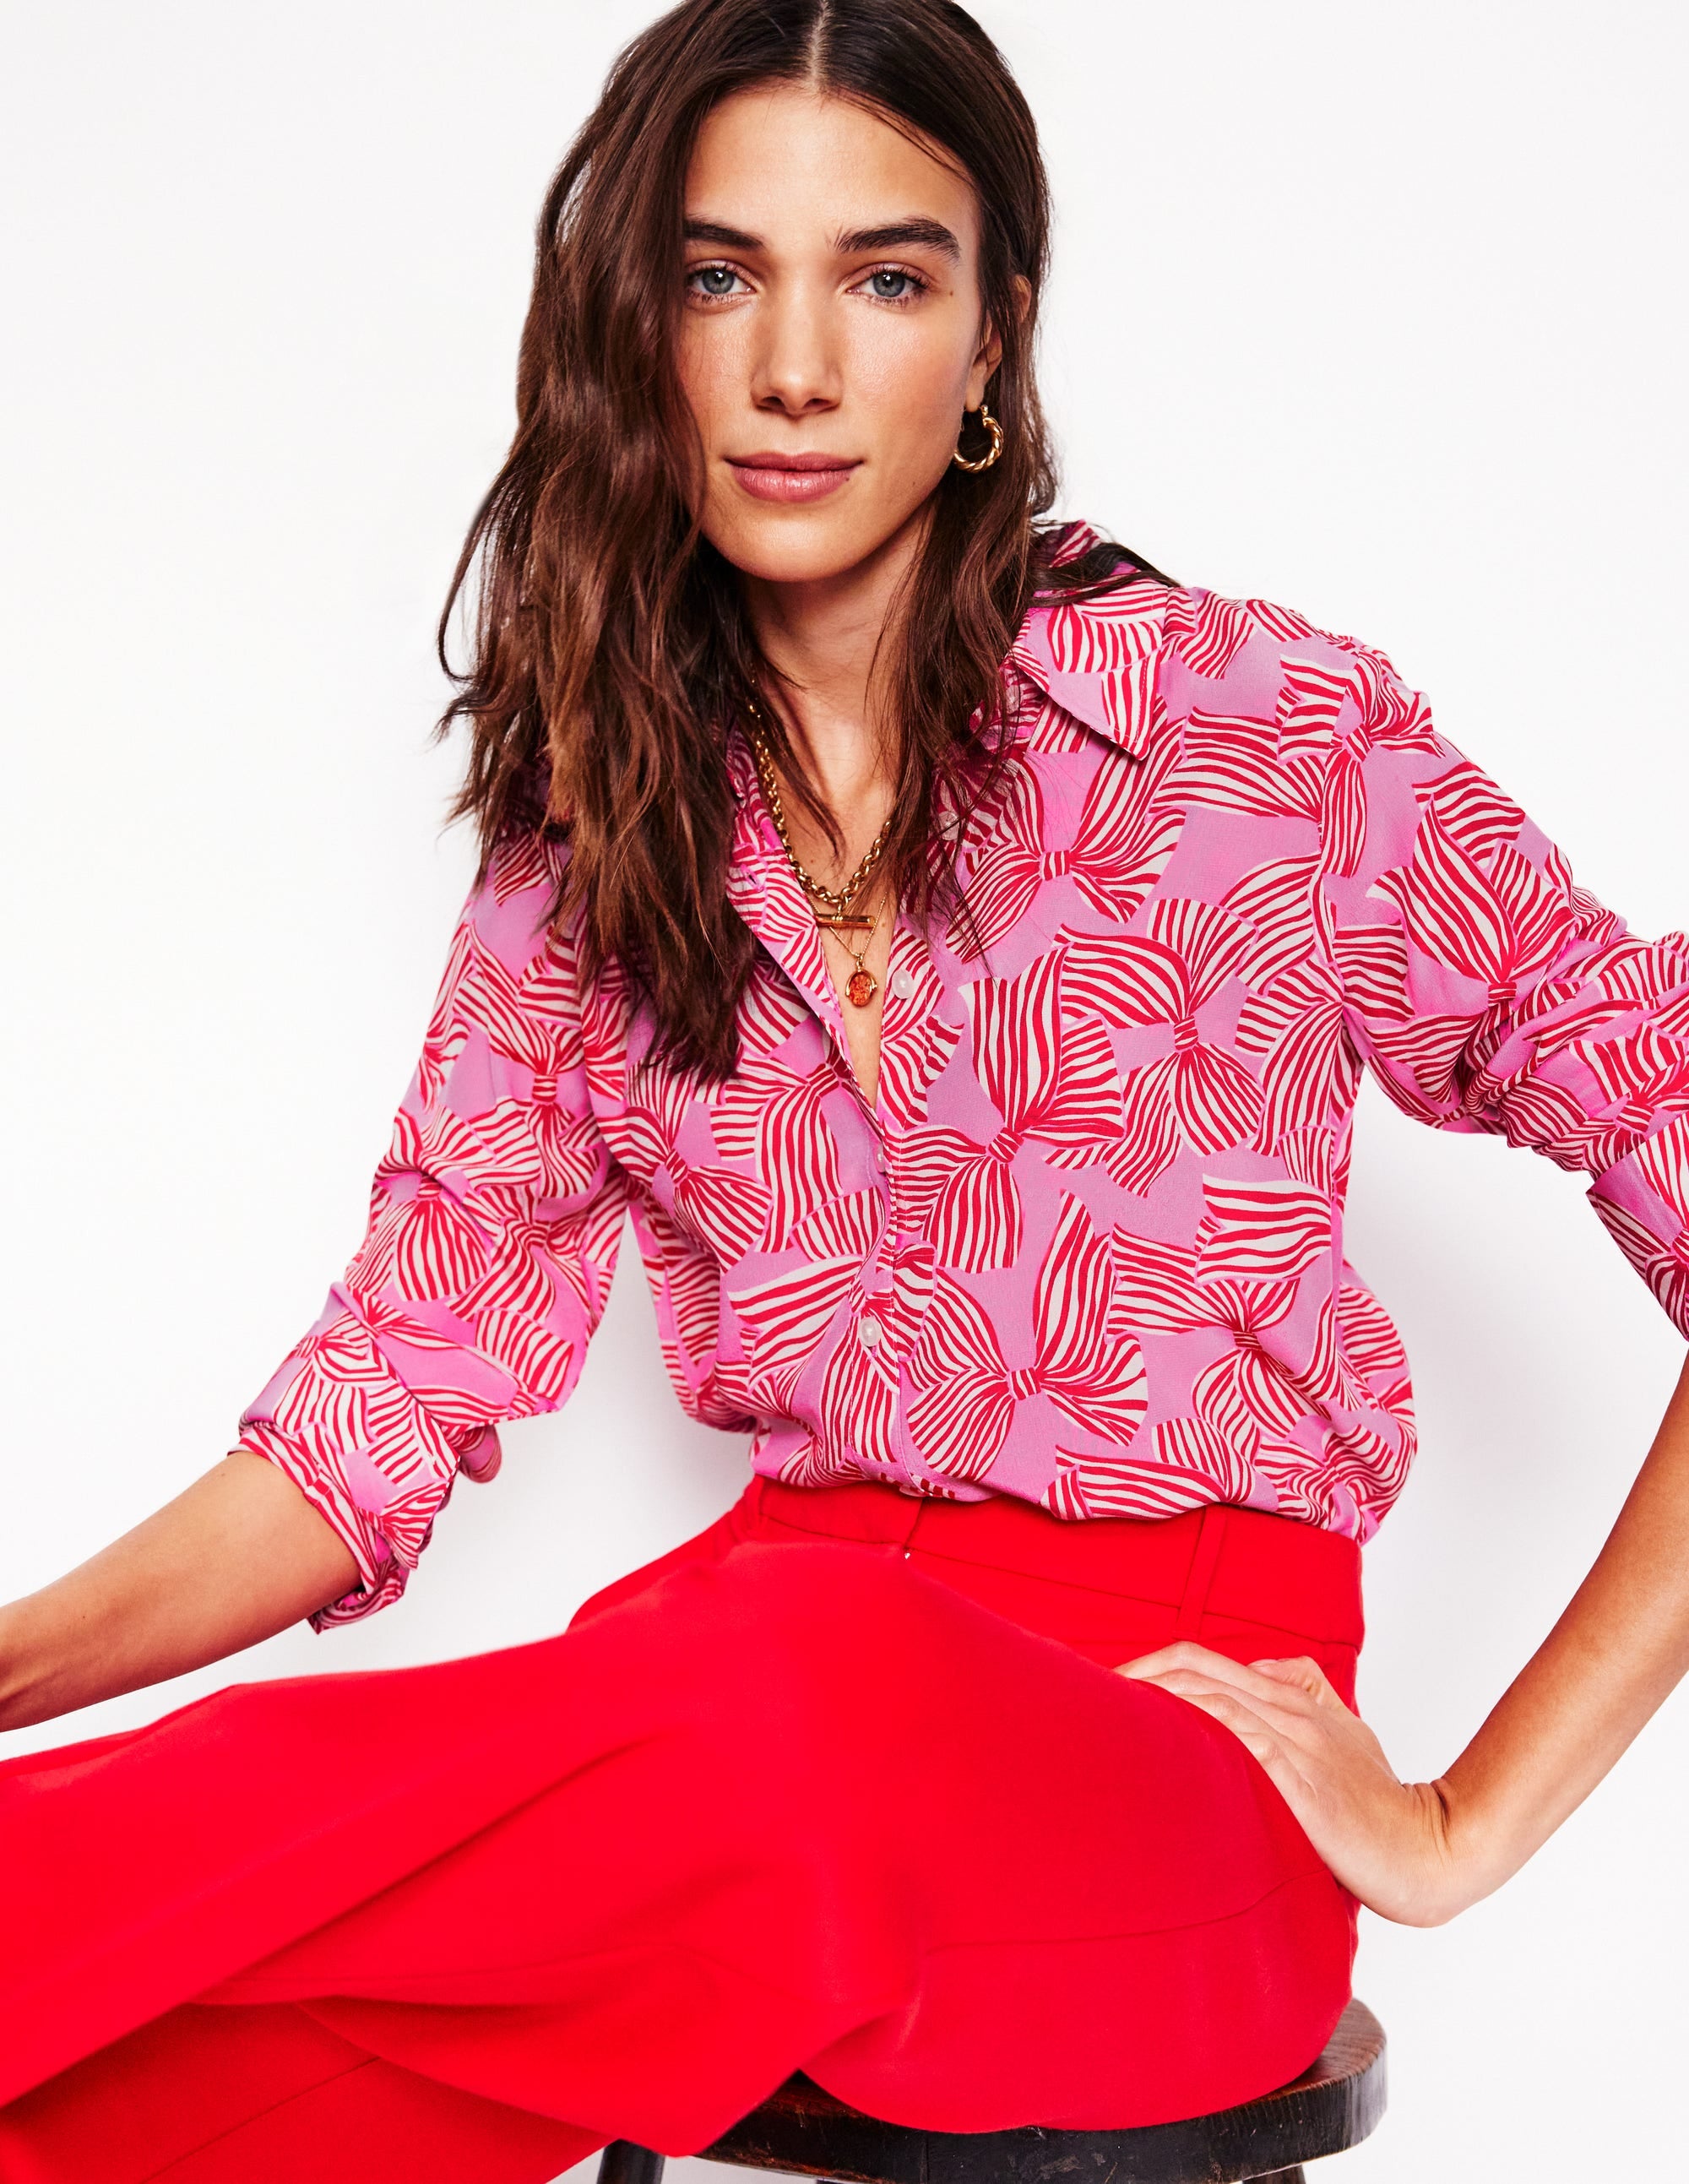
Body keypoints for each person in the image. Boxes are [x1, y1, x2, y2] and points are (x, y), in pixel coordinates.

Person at [3, 0, 1687, 2176]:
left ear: (994, 346)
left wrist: (1465, 1822)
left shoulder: (1262, 737)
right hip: (733, 1759)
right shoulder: (599, 835)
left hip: (1165, 1776)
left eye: (886, 279)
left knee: (786, 1678)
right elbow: (370, 1418)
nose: (795, 364)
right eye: (723, 276)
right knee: (148, 2101)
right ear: (642, 332)